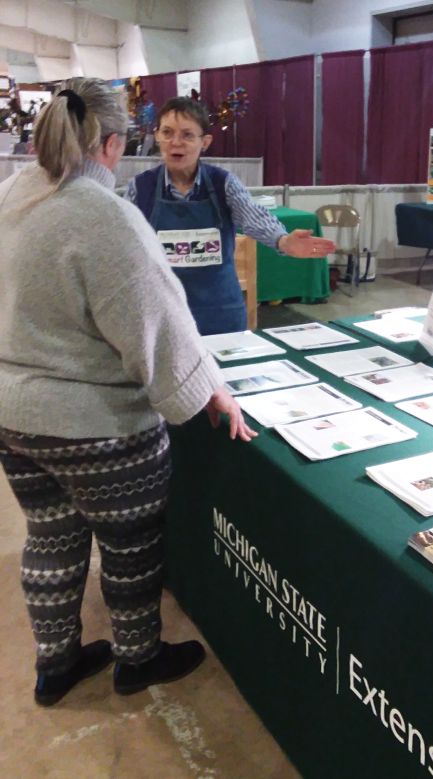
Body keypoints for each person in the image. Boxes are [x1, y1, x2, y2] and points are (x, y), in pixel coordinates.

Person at [0, 78, 257, 707]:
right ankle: (137, 658)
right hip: (94, 422)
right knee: (130, 542)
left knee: (51, 536)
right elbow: (155, 323)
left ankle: (55, 664)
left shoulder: (14, 191)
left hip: (13, 415)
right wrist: (209, 391)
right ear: (115, 143)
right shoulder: (105, 212)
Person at [126, 96, 336, 335]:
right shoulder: (140, 188)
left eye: (187, 135)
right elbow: (121, 244)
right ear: (158, 136)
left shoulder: (223, 183)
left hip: (219, 314)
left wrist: (283, 240)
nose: (176, 142)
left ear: (205, 142)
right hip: (161, 317)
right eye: (167, 132)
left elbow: (253, 217)